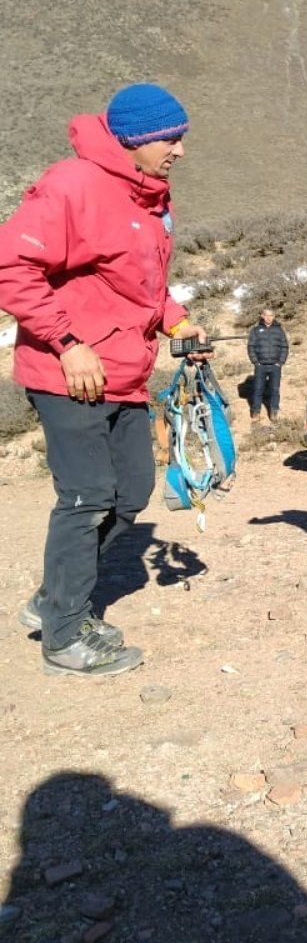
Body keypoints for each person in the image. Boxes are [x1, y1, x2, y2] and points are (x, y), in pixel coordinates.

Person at [0, 84, 207, 677]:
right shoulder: (73, 185)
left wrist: (177, 321)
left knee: (132, 494)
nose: (181, 151)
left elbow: (139, 285)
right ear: (136, 141)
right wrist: (67, 343)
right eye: (172, 139)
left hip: (124, 375)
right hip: (67, 373)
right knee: (87, 497)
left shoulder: (150, 197)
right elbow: (12, 265)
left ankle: (52, 599)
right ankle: (64, 636)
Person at [247, 305, 289, 420]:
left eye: (271, 315)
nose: (269, 318)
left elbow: (284, 347)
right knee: (258, 389)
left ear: (274, 317)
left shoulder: (279, 330)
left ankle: (274, 412)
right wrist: (256, 362)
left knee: (275, 390)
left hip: (275, 366)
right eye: (266, 315)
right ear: (262, 316)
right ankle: (256, 413)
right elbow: (251, 347)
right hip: (261, 366)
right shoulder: (256, 330)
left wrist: (280, 362)